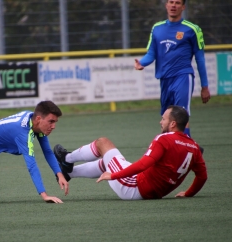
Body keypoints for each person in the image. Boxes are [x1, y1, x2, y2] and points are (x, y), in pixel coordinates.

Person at [54, 105, 207, 200]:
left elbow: (143, 165)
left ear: (173, 124)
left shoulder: (164, 139)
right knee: (107, 161)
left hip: (133, 186)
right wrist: (188, 193)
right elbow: (202, 176)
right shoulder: (194, 146)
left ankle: (66, 159)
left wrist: (113, 176)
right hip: (153, 192)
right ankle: (69, 173)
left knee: (103, 143)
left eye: (163, 119)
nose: (161, 122)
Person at [134, 0, 211, 151]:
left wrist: (205, 86)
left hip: (183, 76)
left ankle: (187, 149)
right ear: (166, 5)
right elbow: (151, 53)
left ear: (183, 7)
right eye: (171, 2)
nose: (173, 5)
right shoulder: (157, 28)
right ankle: (173, 149)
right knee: (167, 117)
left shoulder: (192, 29)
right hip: (164, 79)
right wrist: (142, 63)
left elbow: (200, 59)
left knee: (181, 114)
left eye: (177, 2)